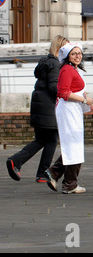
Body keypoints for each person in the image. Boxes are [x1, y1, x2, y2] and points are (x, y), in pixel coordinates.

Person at [6, 35, 69, 183]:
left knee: (43, 140)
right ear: (59, 49)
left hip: (40, 106)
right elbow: (54, 87)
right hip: (48, 108)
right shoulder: (55, 65)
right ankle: (21, 163)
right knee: (50, 140)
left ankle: (37, 171)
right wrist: (68, 92)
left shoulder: (45, 62)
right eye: (66, 49)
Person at [43, 43, 93, 194]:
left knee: (74, 144)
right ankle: (66, 180)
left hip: (73, 109)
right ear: (67, 57)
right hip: (68, 110)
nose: (78, 56)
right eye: (74, 54)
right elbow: (63, 93)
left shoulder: (73, 69)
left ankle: (60, 176)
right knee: (74, 144)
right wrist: (84, 101)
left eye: (79, 53)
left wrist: (85, 101)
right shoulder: (66, 69)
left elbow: (75, 90)